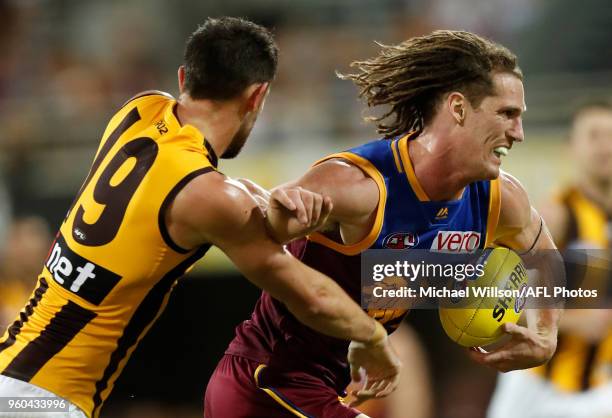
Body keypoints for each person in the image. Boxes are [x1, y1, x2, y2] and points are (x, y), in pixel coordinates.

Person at [0, 17, 401, 418]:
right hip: (44, 402)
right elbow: (312, 297)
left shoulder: (140, 109)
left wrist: (260, 199)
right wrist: (373, 337)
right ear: (257, 96)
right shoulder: (210, 196)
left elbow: (200, 189)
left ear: (182, 77)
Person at [205, 30, 563, 418]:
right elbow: (264, 227)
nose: (519, 133)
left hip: (326, 390)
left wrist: (545, 335)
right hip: (266, 382)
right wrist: (279, 209)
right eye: (507, 114)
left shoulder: (498, 198)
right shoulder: (359, 185)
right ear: (458, 108)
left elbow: (543, 253)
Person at [487, 101, 612, 418]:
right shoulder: (555, 216)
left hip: (598, 387)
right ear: (571, 147)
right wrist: (570, 321)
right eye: (594, 136)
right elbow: (504, 302)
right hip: (537, 388)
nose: (605, 146)